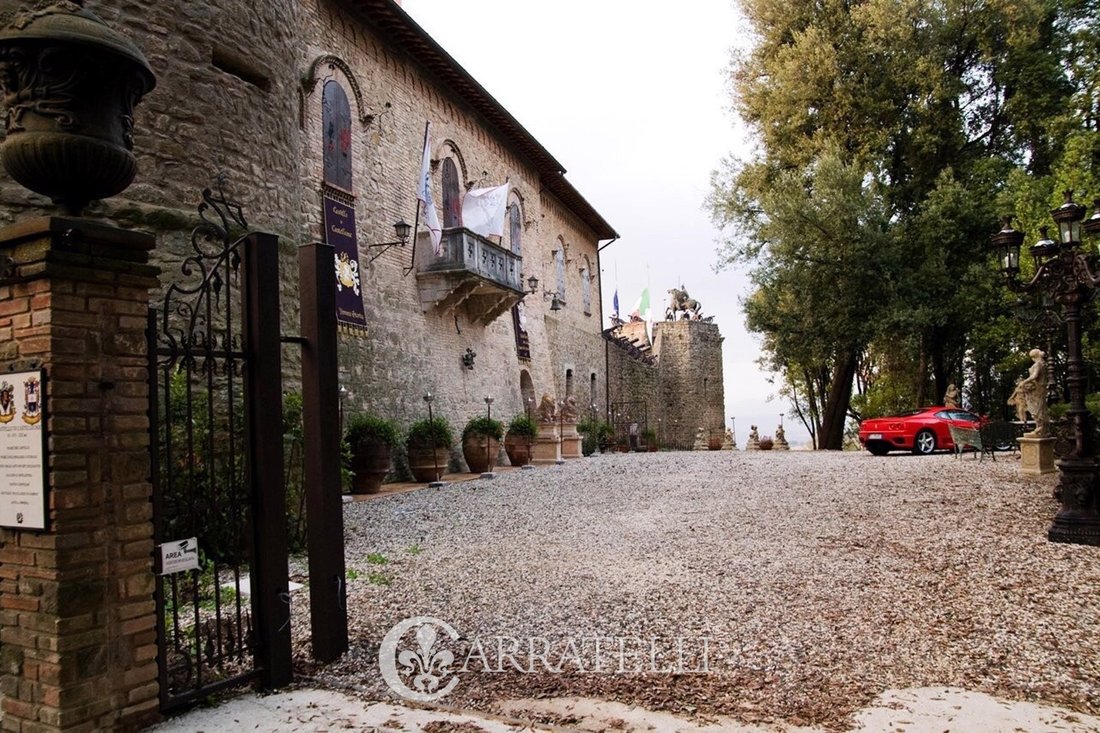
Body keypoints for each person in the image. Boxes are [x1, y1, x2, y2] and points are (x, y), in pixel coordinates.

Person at [1008, 348, 1049, 437]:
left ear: (1033, 356)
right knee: (1039, 407)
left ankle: (1040, 429)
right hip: (1039, 388)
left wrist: (1025, 381)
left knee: (1036, 408)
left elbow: (1035, 375)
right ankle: (1040, 428)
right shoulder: (1044, 363)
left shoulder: (1038, 363)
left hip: (1037, 389)